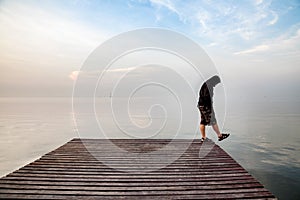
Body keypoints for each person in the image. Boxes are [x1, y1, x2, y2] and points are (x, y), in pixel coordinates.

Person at [197, 75, 229, 142]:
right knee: (213, 120)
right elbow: (206, 96)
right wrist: (209, 106)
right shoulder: (209, 86)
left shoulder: (206, 84)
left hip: (201, 105)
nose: (216, 85)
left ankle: (204, 138)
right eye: (217, 83)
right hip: (206, 106)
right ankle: (220, 136)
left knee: (203, 121)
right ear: (214, 81)